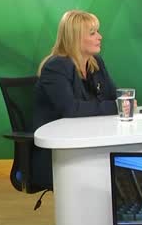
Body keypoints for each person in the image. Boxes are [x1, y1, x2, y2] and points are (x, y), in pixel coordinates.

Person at [32, 10, 121, 187]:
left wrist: (122, 103)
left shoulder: (95, 63)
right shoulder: (56, 67)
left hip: (87, 142)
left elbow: (113, 96)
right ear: (75, 38)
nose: (100, 37)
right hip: (59, 153)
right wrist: (116, 107)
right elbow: (71, 109)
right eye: (92, 33)